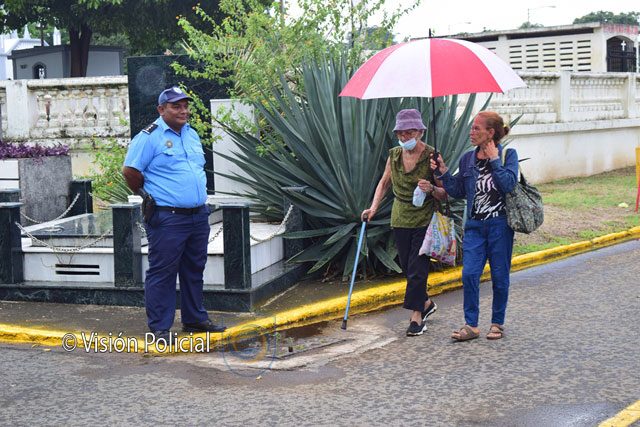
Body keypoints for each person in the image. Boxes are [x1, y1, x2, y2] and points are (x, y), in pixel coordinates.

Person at [122, 86, 226, 341]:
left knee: (194, 269)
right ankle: (160, 328)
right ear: (161, 109)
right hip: (168, 216)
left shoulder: (191, 134)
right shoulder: (149, 137)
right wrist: (147, 196)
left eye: (185, 106)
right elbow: (130, 171)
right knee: (163, 272)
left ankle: (194, 319)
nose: (183, 111)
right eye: (176, 106)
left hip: (197, 215)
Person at [432, 111, 518, 341]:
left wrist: (494, 160)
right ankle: (471, 325)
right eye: (471, 127)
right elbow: (458, 190)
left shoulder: (508, 155)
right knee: (469, 274)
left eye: (476, 128)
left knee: (500, 276)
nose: (471, 132)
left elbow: (509, 185)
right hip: (475, 226)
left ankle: (497, 323)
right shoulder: (467, 159)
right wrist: (443, 171)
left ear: (490, 132)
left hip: (500, 225)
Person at [361, 109, 446, 337]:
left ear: (420, 132)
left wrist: (432, 188)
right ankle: (426, 303)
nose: (404, 137)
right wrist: (373, 208)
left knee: (418, 268)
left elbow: (444, 193)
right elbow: (384, 183)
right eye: (400, 133)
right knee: (409, 268)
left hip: (424, 218)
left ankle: (417, 317)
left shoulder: (432, 156)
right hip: (400, 217)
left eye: (409, 132)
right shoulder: (395, 155)